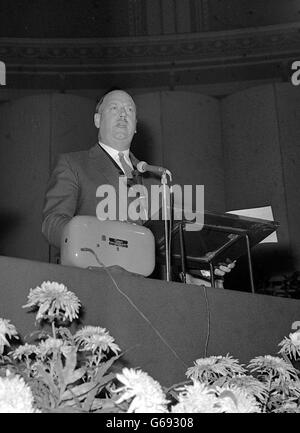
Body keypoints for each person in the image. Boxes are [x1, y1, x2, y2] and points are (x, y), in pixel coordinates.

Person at [42, 89, 234, 285]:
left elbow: (166, 245)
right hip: (94, 280)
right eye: (114, 108)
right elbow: (52, 222)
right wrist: (95, 239)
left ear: (135, 126)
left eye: (129, 110)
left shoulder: (154, 178)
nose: (123, 114)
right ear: (97, 120)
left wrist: (203, 265)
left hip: (150, 291)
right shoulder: (72, 164)